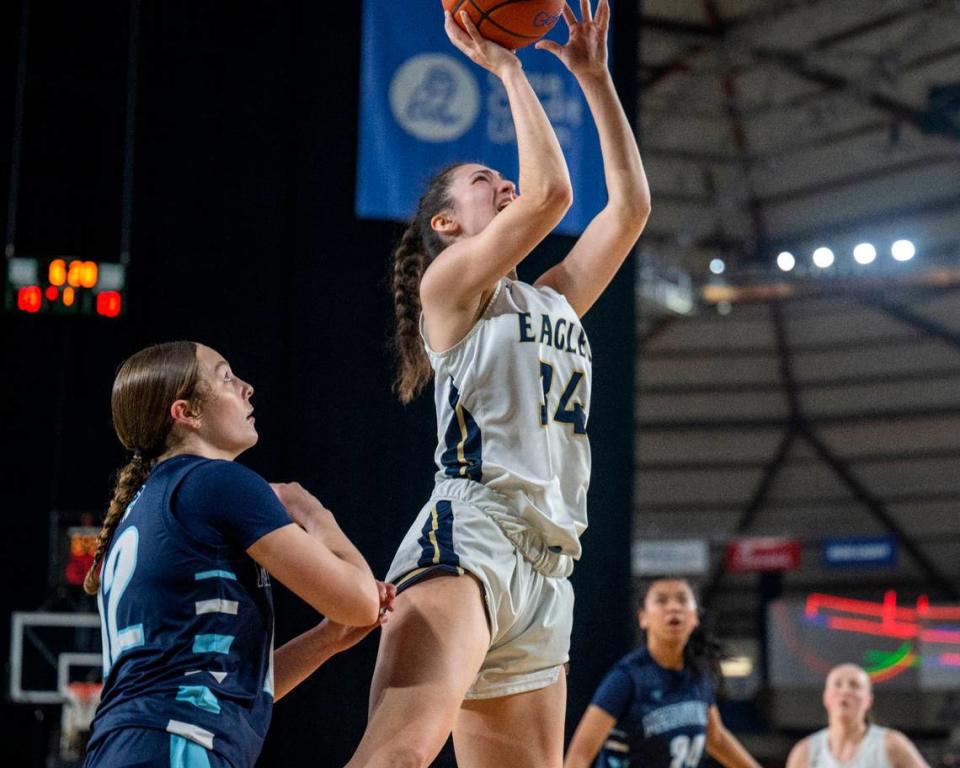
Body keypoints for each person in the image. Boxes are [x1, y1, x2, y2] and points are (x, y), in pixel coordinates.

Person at [346, 2, 650, 766]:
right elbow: (555, 195)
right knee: (399, 756)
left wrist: (594, 78)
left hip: (550, 564)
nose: (506, 181)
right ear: (446, 226)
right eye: (485, 180)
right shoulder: (447, 291)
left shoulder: (551, 297)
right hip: (472, 538)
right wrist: (509, 68)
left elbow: (631, 209)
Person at [82, 341, 393, 768]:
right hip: (179, 742)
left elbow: (222, 684)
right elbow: (361, 601)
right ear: (186, 413)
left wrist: (325, 641)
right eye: (225, 376)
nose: (247, 387)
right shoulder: (216, 482)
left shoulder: (143, 507)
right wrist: (311, 511)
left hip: (126, 747)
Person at [565, 577, 761, 768]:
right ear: (643, 618)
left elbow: (716, 738)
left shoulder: (698, 676)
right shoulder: (626, 678)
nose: (674, 607)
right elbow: (580, 755)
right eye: (661, 600)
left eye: (682, 600)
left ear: (695, 618)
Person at [785, 663, 930, 768]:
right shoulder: (805, 751)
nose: (845, 691)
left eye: (854, 685)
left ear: (868, 700)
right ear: (826, 697)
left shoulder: (891, 744)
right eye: (837, 684)